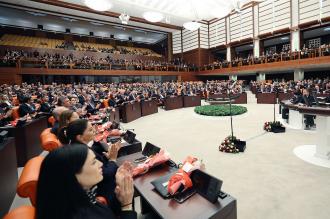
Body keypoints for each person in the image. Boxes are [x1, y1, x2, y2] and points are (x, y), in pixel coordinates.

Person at [36, 144, 136, 219]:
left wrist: (121, 195)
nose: (100, 163)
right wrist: (127, 206)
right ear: (72, 175)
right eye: (93, 162)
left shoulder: (74, 199)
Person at [58, 119, 122, 214]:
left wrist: (107, 159)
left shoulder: (77, 147)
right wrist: (112, 160)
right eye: (90, 130)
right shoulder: (82, 153)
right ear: (80, 137)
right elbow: (105, 174)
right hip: (103, 190)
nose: (95, 131)